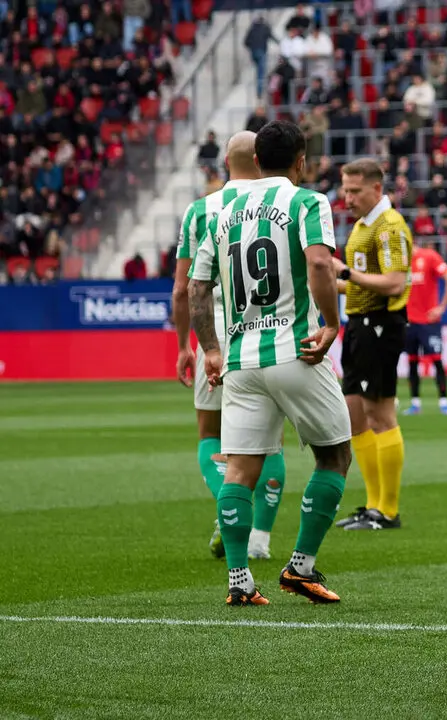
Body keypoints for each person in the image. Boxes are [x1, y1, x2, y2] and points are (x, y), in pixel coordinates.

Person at [189, 120, 351, 606]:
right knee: (335, 455)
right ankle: (300, 567)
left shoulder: (223, 209)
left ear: (255, 161)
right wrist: (330, 324)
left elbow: (198, 288)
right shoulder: (306, 202)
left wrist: (211, 349)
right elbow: (320, 264)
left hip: (239, 360)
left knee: (239, 470)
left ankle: (240, 581)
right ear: (302, 161)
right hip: (294, 351)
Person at [173, 131, 288, 561]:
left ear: (225, 161)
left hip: (214, 330)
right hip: (269, 328)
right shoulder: (281, 204)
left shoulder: (201, 211)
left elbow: (183, 289)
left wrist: (186, 347)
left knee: (210, 431)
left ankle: (228, 513)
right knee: (269, 439)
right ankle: (259, 537)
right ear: (260, 162)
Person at [331, 158, 411, 531]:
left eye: (355, 191)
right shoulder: (366, 225)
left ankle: (387, 510)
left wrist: (344, 273)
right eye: (345, 190)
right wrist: (329, 280)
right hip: (360, 323)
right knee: (355, 415)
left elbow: (395, 282)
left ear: (376, 189)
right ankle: (372, 504)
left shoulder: (389, 226)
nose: (347, 198)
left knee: (380, 414)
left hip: (380, 324)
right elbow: (364, 282)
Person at [403, 241, 447, 416]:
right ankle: (415, 403)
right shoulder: (400, 262)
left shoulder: (429, 256)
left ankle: (444, 402)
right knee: (412, 362)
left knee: (437, 360)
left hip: (428, 321)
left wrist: (442, 307)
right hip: (408, 321)